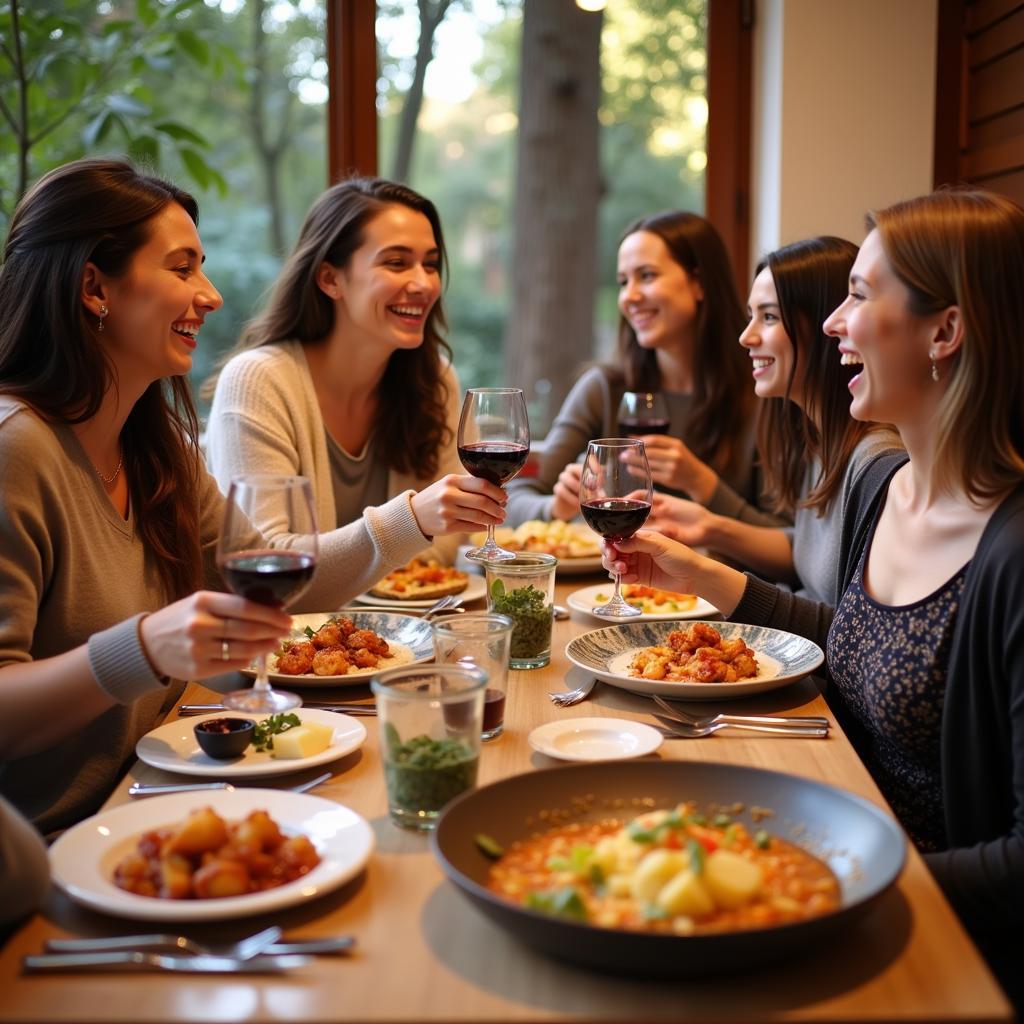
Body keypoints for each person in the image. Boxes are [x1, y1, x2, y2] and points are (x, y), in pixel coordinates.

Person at [603, 189, 1024, 1007]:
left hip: (917, 932)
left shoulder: (1010, 551)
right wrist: (703, 577)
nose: (831, 323)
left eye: (860, 296)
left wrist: (818, 883)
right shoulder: (894, 490)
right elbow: (866, 646)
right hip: (829, 832)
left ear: (945, 332)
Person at [0, 158, 308, 837]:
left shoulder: (154, 446)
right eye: (182, 268)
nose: (212, 294)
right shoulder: (15, 449)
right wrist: (141, 649)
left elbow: (277, 580)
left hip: (165, 803)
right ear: (93, 287)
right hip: (57, 854)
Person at [203, 178, 506, 594]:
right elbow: (266, 570)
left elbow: (446, 545)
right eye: (397, 263)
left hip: (395, 642)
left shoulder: (434, 380)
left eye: (431, 264)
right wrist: (411, 521)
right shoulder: (258, 382)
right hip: (275, 650)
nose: (422, 283)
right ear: (330, 279)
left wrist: (409, 534)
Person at [646, 237, 902, 603]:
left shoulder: (876, 462)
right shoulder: (821, 441)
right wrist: (710, 527)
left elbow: (851, 634)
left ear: (826, 326)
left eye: (768, 317)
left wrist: (702, 575)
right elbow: (808, 553)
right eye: (752, 316)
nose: (745, 337)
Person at [506, 210, 778, 529]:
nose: (629, 297)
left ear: (700, 283)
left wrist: (705, 486)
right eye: (623, 281)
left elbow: (786, 545)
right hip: (611, 578)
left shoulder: (762, 393)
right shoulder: (604, 389)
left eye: (646, 276)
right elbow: (516, 497)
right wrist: (555, 507)